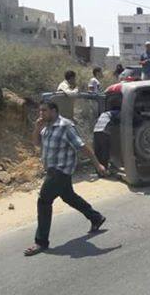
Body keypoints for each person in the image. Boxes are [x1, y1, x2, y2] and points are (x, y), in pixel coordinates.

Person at [24, 101, 107, 256]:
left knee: (43, 201)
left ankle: (41, 242)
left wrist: (97, 165)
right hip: (51, 171)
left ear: (54, 111)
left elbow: (82, 146)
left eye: (44, 111)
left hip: (60, 171)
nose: (41, 114)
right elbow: (36, 143)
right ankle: (96, 217)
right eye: (40, 111)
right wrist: (37, 128)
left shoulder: (65, 126)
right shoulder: (47, 127)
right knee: (69, 197)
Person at [93, 108, 120, 173]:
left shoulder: (103, 114)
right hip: (103, 132)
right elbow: (120, 120)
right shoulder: (117, 112)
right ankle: (104, 170)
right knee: (105, 152)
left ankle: (98, 170)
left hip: (96, 131)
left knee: (98, 152)